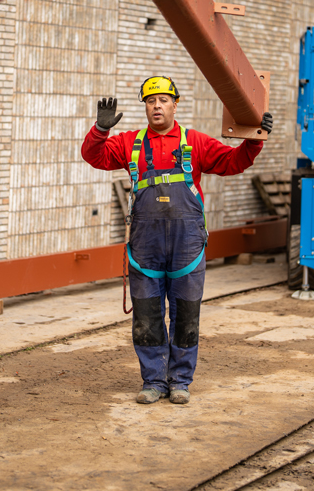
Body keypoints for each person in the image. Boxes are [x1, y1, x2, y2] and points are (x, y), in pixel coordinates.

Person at [81, 76, 272, 405]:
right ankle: (153, 381)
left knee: (185, 315)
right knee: (147, 316)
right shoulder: (129, 143)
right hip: (146, 247)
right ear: (145, 106)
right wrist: (100, 130)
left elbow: (232, 163)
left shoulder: (194, 142)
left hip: (187, 247)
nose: (156, 106)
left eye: (163, 100)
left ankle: (180, 380)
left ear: (175, 104)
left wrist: (254, 140)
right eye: (150, 101)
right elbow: (93, 157)